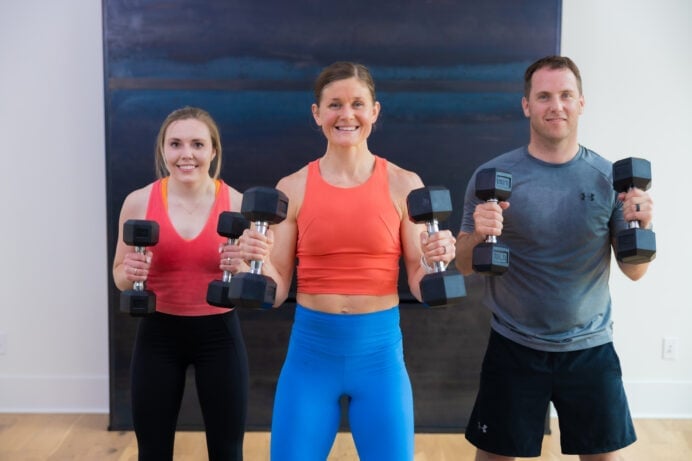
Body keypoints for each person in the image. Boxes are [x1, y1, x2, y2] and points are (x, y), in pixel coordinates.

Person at [237, 61, 457, 460]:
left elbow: (420, 282)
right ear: (317, 113)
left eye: (358, 103)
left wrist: (436, 257)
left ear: (374, 111)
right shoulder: (293, 187)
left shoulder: (404, 184)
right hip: (310, 356)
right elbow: (276, 289)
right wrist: (253, 260)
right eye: (334, 104)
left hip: (380, 358)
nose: (346, 114)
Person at [455, 55, 654, 460]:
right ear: (526, 105)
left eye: (565, 95)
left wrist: (643, 226)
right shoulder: (490, 175)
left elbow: (634, 271)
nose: (555, 106)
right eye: (543, 96)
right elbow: (461, 265)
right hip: (514, 343)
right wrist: (478, 232)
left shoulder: (608, 178)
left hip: (590, 347)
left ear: (581, 102)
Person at [112, 106, 248, 460]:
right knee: (153, 451)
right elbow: (119, 276)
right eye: (175, 144)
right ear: (163, 151)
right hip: (158, 336)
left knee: (227, 451)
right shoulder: (139, 201)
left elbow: (255, 277)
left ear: (213, 151)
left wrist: (245, 266)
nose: (186, 154)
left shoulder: (236, 203)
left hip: (219, 336)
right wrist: (131, 272)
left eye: (197, 144)